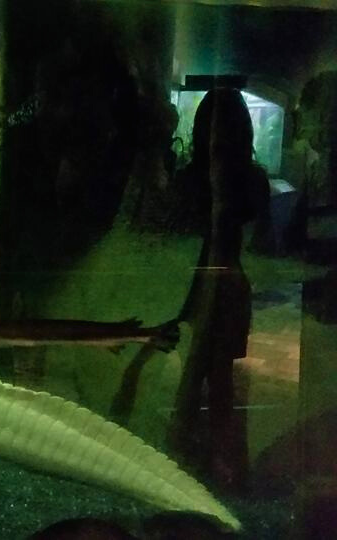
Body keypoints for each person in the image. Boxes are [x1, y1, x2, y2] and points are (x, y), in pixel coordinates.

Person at [167, 87, 271, 491]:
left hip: (205, 287)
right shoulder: (253, 179)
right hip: (227, 287)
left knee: (197, 375)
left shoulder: (190, 178)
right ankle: (222, 464)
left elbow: (177, 237)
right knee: (221, 380)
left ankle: (187, 460)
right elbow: (263, 242)